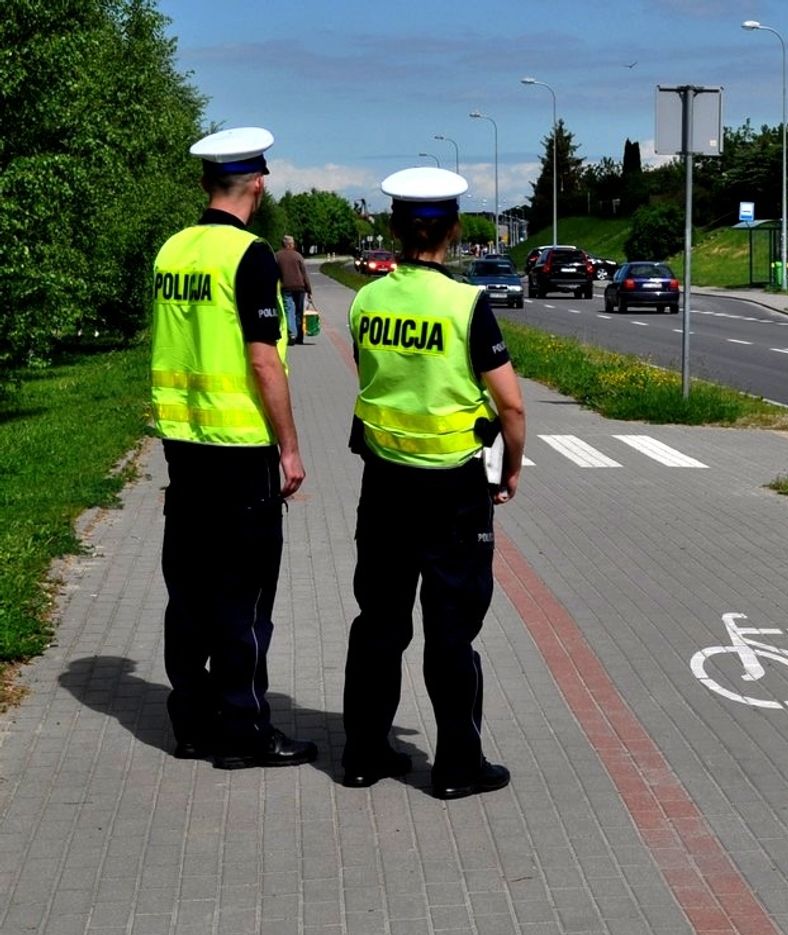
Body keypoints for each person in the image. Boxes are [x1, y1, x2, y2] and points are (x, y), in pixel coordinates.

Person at [342, 166, 526, 798]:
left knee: (378, 623)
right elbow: (512, 408)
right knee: (451, 632)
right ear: (452, 230)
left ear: (395, 228)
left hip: (384, 483)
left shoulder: (367, 301)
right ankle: (456, 766)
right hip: (453, 492)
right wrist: (513, 467)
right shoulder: (466, 304)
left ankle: (364, 754)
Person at [151, 126, 317, 770]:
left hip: (183, 446)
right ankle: (245, 731)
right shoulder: (248, 256)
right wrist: (291, 448)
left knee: (188, 592)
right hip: (241, 451)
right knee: (243, 599)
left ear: (203, 183)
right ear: (258, 183)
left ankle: (191, 724)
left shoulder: (172, 251)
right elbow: (263, 361)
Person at [276, 234, 312, 345]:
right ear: (291, 244)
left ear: (283, 244)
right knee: (299, 312)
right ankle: (299, 337)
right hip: (300, 288)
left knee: (289, 310)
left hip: (286, 287)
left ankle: (292, 333)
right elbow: (304, 274)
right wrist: (309, 289)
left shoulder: (277, 256)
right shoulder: (298, 256)